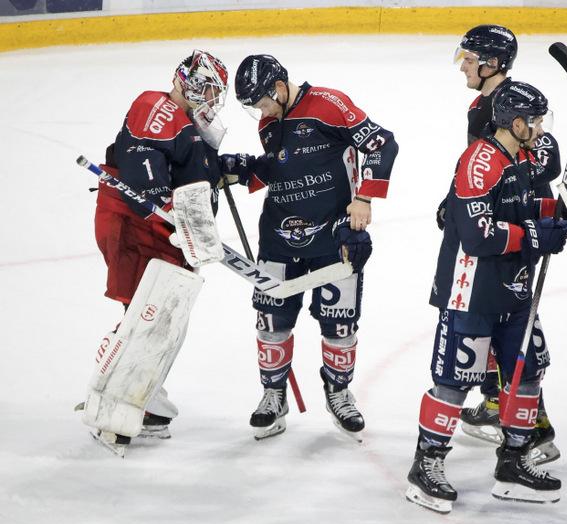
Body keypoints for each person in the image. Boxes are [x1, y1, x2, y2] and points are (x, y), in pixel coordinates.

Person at [406, 81, 567, 514]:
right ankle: (426, 466)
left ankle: (513, 462)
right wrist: (536, 235)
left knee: (529, 369)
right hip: (472, 291)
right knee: (455, 380)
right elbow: (478, 236)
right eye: (535, 122)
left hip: (515, 289)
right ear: (516, 123)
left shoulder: (523, 158)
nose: (541, 129)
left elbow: (531, 212)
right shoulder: (480, 162)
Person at [220, 54, 398, 441]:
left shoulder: (331, 106)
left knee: (340, 323)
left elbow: (383, 144)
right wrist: (243, 170)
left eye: (263, 102)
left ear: (280, 88)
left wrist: (364, 199)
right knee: (271, 323)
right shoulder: (270, 123)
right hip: (278, 238)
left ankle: (338, 392)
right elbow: (280, 166)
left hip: (333, 236)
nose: (261, 112)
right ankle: (273, 395)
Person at [87, 50, 228, 454]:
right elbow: (142, 178)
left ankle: (141, 396)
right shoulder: (156, 107)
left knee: (162, 314)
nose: (211, 99)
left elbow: (193, 173)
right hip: (134, 223)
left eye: (216, 93)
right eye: (206, 89)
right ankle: (110, 404)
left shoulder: (189, 125)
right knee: (144, 314)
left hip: (163, 229)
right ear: (186, 81)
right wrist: (168, 209)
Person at [449, 25, 563, 464]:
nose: (463, 64)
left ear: (492, 63)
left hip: (512, 231)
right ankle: (500, 405)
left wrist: (516, 187)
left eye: (470, 57)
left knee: (512, 325)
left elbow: (544, 155)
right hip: (501, 227)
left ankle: (535, 425)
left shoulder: (512, 104)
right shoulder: (487, 104)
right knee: (501, 322)